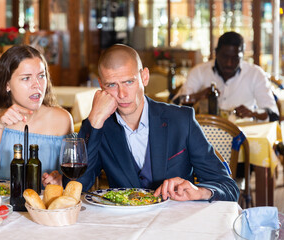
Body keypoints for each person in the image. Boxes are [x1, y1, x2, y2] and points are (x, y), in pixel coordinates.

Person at [77, 44, 239, 202]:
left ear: (144, 77)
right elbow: (76, 186)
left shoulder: (181, 120)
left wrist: (199, 192)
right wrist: (95, 119)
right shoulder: (99, 127)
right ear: (101, 85)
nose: (122, 94)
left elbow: (228, 187)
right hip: (126, 225)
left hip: (175, 224)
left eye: (129, 82)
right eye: (111, 85)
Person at [0, 45, 73, 187]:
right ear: (7, 84)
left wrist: (60, 179)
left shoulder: (62, 119)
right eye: (26, 78)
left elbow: (72, 175)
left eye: (41, 76)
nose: (37, 85)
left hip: (44, 206)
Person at [177, 31, 278, 121]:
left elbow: (273, 114)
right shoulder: (199, 71)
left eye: (235, 58)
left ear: (242, 56)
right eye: (225, 57)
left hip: (243, 135)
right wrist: (198, 95)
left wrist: (252, 113)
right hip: (206, 132)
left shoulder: (255, 74)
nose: (229, 63)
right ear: (216, 53)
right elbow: (176, 104)